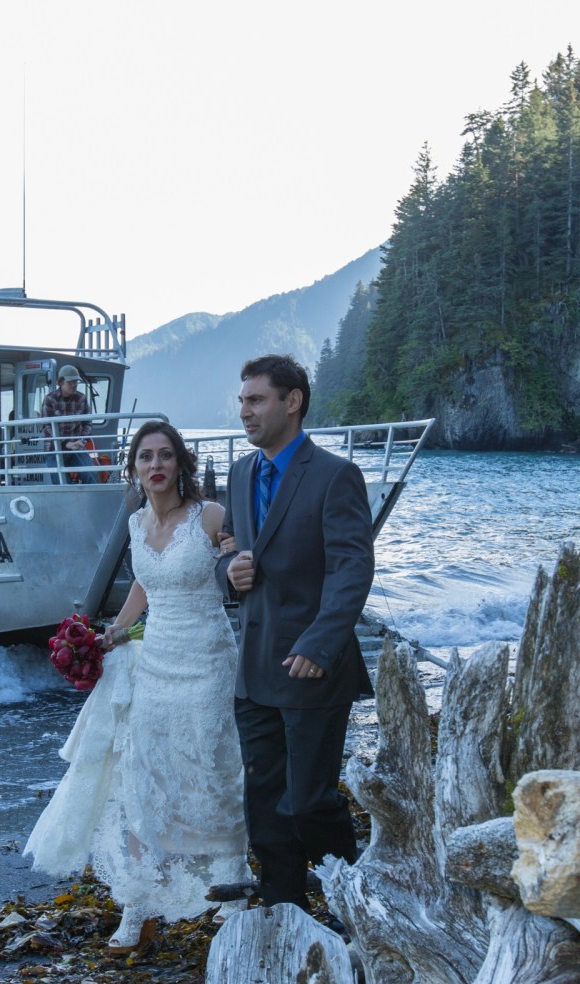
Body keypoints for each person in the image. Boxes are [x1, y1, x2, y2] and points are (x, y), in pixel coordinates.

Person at [25, 420, 249, 951]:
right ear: (135, 467)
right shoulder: (134, 523)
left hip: (208, 660)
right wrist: (116, 633)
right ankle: (138, 903)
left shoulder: (211, 515)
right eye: (146, 456)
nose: (156, 465)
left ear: (180, 463)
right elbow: (145, 584)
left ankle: (233, 887)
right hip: (155, 664)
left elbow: (237, 569)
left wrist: (238, 556)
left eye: (165, 455)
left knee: (212, 769)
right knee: (144, 778)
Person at [214, 354, 375, 912]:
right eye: (242, 401)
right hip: (254, 667)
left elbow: (352, 568)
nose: (245, 412)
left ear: (293, 401)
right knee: (263, 800)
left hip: (312, 667)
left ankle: (355, 903)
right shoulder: (240, 473)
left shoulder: (335, 475)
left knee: (310, 802)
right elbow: (230, 549)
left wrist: (320, 642)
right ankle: (282, 903)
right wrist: (228, 572)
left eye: (256, 400)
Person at [41, 365, 94, 485]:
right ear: (61, 382)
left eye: (76, 381)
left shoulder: (82, 399)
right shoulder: (49, 399)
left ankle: (92, 501)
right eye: (71, 382)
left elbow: (88, 423)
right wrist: (65, 443)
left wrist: (81, 440)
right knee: (62, 483)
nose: (74, 384)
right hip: (54, 449)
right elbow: (46, 426)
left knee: (91, 475)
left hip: (76, 447)